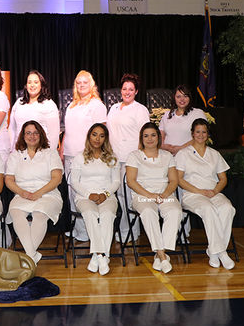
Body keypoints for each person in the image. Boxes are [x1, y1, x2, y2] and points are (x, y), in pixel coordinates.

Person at [176, 118, 236, 270]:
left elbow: (223, 179)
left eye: (204, 132)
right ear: (192, 133)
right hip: (192, 194)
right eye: (198, 132)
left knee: (228, 208)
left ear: (208, 134)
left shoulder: (214, 154)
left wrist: (215, 191)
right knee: (208, 209)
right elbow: (178, 179)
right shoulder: (183, 154)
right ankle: (222, 252)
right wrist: (199, 191)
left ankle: (214, 251)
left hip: (212, 192)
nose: (201, 135)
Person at [125, 122, 183, 274]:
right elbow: (131, 181)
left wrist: (164, 195)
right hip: (142, 196)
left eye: (153, 135)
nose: (149, 139)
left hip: (164, 194)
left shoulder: (167, 155)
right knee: (149, 212)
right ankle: (163, 255)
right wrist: (150, 196)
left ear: (158, 137)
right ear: (141, 138)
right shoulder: (134, 156)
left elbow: (174, 180)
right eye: (146, 136)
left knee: (175, 211)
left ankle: (159, 253)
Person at [5, 121, 63, 264]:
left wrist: (39, 193)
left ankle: (28, 259)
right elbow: (9, 180)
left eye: (35, 132)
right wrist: (22, 192)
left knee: (39, 214)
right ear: (23, 136)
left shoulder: (50, 153)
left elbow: (57, 179)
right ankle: (31, 256)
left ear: (41, 135)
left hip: (47, 194)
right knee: (16, 213)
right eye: (28, 133)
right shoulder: (15, 155)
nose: (32, 136)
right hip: (22, 194)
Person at [68, 123, 120, 275]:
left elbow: (116, 182)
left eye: (102, 135)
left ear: (105, 139)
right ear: (89, 136)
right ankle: (102, 255)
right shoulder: (79, 157)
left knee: (107, 215)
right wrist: (88, 194)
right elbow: (74, 182)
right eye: (94, 134)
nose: (97, 139)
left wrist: (105, 194)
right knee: (90, 214)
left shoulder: (112, 158)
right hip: (84, 197)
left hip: (107, 196)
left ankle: (98, 257)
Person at [61, 70, 107, 242]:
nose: (81, 86)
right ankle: (79, 230)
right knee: (72, 192)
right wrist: (62, 150)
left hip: (86, 156)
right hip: (69, 154)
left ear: (91, 85)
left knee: (85, 192)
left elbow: (101, 132)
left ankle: (90, 231)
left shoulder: (97, 105)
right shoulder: (72, 105)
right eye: (78, 83)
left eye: (85, 83)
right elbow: (68, 131)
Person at [107, 73, 151, 241]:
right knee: (119, 195)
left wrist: (139, 158)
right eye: (124, 89)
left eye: (131, 89)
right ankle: (125, 229)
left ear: (136, 91)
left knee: (130, 195)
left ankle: (131, 231)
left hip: (131, 159)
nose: (127, 92)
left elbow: (145, 136)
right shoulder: (113, 108)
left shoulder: (140, 110)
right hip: (114, 159)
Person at [9, 70, 60, 151]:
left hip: (40, 153)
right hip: (18, 152)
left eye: (36, 82)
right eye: (29, 82)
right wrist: (11, 150)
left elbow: (53, 135)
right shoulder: (18, 103)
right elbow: (12, 129)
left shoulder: (49, 104)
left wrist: (50, 155)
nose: (32, 85)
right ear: (26, 85)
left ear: (41, 85)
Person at [160, 84, 207, 155]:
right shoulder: (167, 114)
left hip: (189, 156)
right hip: (167, 155)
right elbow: (160, 136)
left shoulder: (198, 113)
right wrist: (165, 147)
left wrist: (180, 149)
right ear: (174, 98)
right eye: (178, 96)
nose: (182, 99)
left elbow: (201, 136)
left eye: (185, 96)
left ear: (189, 98)